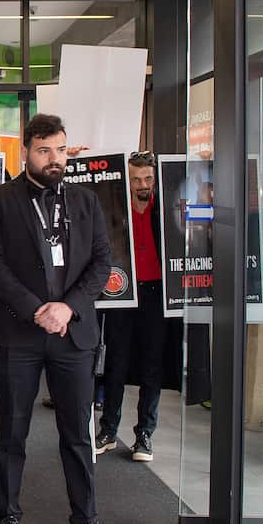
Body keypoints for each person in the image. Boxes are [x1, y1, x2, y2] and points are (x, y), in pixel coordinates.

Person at [0, 113, 120, 524]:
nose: (54, 159)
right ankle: (7, 517)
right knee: (12, 431)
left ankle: (86, 522)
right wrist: (37, 308)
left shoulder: (85, 201)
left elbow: (101, 262)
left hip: (74, 335)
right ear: (26, 153)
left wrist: (67, 307)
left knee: (77, 433)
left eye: (59, 149)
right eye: (44, 151)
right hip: (21, 333)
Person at [95, 151, 167, 464]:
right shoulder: (115, 208)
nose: (142, 184)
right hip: (122, 290)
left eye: (147, 178)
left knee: (153, 364)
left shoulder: (165, 208)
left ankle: (144, 435)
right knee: (117, 363)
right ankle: (108, 429)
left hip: (156, 292)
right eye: (136, 178)